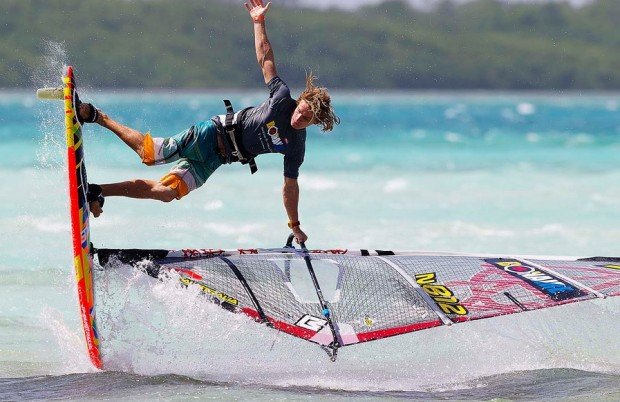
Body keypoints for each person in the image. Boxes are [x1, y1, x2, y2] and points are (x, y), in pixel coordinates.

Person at [79, 0, 339, 244]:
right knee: (151, 155)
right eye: (301, 111)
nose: (298, 118)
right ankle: (99, 117)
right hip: (210, 134)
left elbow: (290, 186)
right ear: (300, 100)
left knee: (166, 193)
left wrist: (294, 224)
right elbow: (265, 58)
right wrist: (258, 22)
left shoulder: (295, 146)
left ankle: (96, 190)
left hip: (217, 159)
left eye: (306, 119)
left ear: (314, 123)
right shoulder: (282, 99)